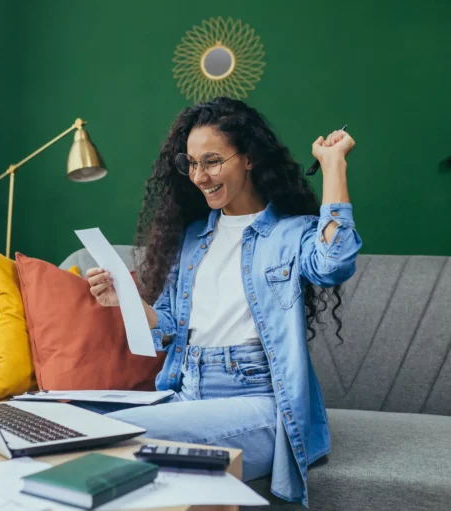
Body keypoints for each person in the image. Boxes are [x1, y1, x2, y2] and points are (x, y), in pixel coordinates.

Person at [85, 96, 361, 507]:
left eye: (212, 161)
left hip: (257, 402)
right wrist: (124, 300)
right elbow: (169, 327)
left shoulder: (291, 233)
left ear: (248, 158)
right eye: (192, 163)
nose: (199, 176)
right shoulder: (194, 237)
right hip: (186, 392)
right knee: (79, 424)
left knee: (112, 433)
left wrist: (333, 162)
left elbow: (334, 263)